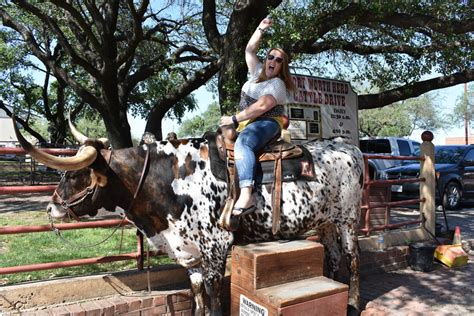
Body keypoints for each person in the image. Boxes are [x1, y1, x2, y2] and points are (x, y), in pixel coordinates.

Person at [219, 18, 295, 229]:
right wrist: (260, 28)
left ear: (281, 67)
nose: (273, 61)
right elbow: (250, 50)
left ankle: (247, 194)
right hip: (247, 122)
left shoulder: (278, 84)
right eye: (271, 56)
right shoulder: (256, 74)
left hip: (268, 122)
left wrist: (233, 119)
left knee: (244, 142)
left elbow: (263, 105)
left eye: (278, 60)